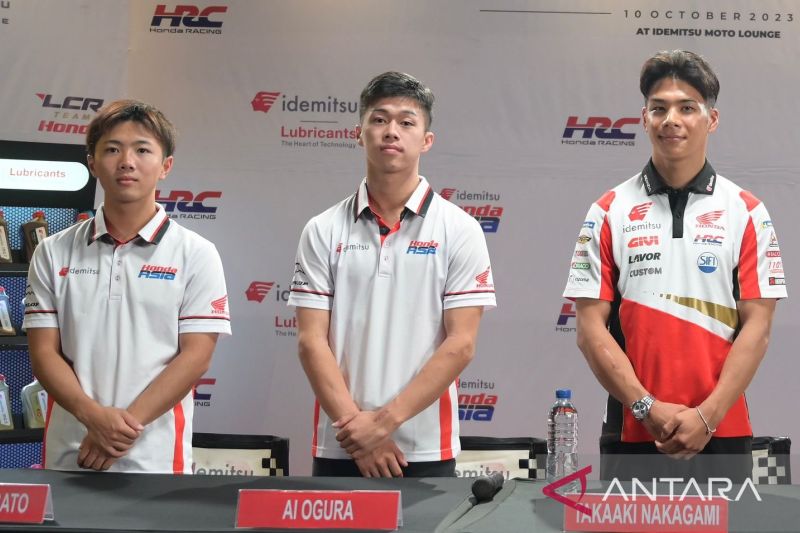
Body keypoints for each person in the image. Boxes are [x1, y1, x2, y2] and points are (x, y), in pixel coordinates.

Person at [563, 50, 786, 482]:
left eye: (687, 108)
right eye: (659, 108)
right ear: (644, 119)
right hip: (632, 430)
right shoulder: (608, 210)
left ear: (711, 119)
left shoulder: (747, 211)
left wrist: (708, 415)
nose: (671, 120)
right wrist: (646, 407)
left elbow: (757, 329)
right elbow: (589, 331)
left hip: (722, 431)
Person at [288, 71, 496, 478]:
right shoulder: (322, 229)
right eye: (379, 119)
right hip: (342, 444)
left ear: (426, 140)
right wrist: (359, 433)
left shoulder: (460, 229)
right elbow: (311, 340)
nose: (391, 131)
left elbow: (461, 344)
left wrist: (382, 424)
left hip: (425, 448)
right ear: (358, 133)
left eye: (406, 122)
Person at [23, 100, 231, 473]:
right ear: (92, 163)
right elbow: (44, 354)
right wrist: (93, 418)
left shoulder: (196, 253)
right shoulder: (52, 251)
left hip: (156, 460)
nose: (127, 162)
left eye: (142, 150)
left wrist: (119, 431)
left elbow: (196, 356)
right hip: (70, 453)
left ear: (166, 165)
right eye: (113, 149)